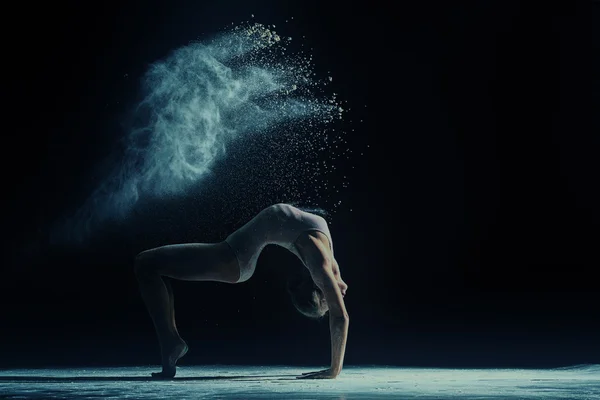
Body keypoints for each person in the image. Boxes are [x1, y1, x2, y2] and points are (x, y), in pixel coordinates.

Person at [134, 203, 349, 379]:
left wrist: (334, 369)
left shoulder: (319, 264)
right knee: (147, 265)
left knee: (146, 264)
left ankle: (170, 343)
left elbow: (341, 317)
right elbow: (337, 298)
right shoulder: (328, 264)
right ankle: (170, 342)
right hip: (235, 255)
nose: (292, 285)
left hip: (233, 258)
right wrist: (337, 287)